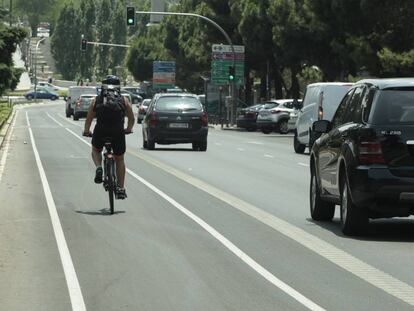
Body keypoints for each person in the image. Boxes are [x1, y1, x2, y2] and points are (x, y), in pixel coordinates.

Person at [83, 75, 135, 199]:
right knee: (120, 159)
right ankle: (121, 188)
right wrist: (127, 129)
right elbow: (132, 118)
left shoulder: (97, 100)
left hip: (101, 130)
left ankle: (99, 167)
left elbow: (89, 118)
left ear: (103, 86)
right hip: (118, 131)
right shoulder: (124, 100)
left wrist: (86, 131)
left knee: (96, 150)